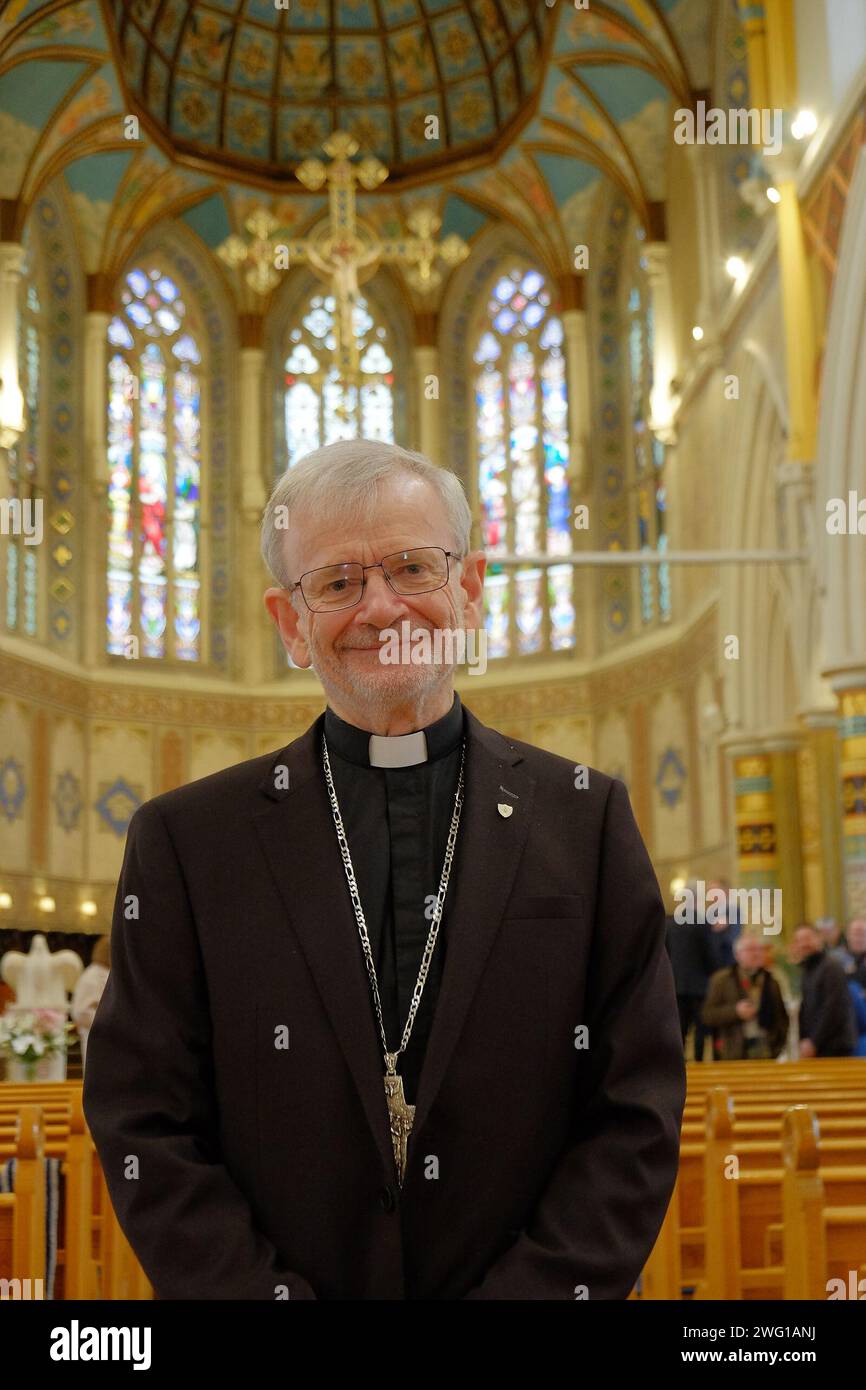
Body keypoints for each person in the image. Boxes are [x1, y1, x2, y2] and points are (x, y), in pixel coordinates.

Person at [83, 439, 685, 1301]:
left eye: (412, 568)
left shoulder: (584, 820)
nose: (381, 608)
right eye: (336, 583)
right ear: (291, 623)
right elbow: (142, 1117)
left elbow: (637, 1108)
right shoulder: (187, 844)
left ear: (469, 587)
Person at [700, 933, 788, 1060]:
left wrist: (778, 1045)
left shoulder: (771, 981)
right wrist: (735, 1012)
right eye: (751, 949)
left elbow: (782, 1018)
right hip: (733, 1051)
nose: (756, 953)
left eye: (760, 949)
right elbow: (707, 1015)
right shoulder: (722, 980)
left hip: (767, 1050)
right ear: (737, 954)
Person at [665, 885, 718, 1061]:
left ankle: (679, 1065)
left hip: (676, 985)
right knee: (701, 1029)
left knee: (680, 1029)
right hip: (700, 986)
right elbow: (709, 954)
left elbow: (665, 953)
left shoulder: (670, 923)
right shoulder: (702, 923)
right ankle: (699, 1061)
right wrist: (713, 973)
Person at [790, 923, 857, 1058]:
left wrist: (814, 1042)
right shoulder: (807, 970)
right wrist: (803, 1040)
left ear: (819, 939)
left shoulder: (831, 967)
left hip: (835, 1047)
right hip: (818, 1046)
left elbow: (833, 1009)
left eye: (807, 938)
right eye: (799, 940)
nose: (803, 944)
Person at [71, 936, 110, 1070]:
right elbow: (80, 1012)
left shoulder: (108, 974)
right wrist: (110, 1021)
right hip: (98, 1038)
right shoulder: (92, 977)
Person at [830, 918, 866, 987]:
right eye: (856, 934)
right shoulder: (835, 959)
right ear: (847, 935)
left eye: (863, 933)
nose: (859, 938)